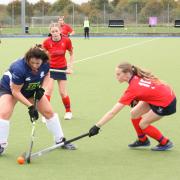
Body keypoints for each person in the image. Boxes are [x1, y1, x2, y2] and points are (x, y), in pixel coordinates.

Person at [0, 45, 76, 155]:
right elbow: (16, 92)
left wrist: (42, 89)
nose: (35, 66)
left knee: (49, 112)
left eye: (37, 63)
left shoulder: (45, 63)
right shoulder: (19, 68)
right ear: (27, 60)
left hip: (32, 87)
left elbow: (48, 74)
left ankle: (60, 140)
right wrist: (31, 107)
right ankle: (1, 144)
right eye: (32, 63)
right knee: (4, 113)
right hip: (10, 89)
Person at [88, 62, 176, 151]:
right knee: (134, 113)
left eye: (118, 74)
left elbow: (113, 112)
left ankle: (165, 143)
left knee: (143, 124)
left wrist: (97, 126)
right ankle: (143, 140)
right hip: (159, 95)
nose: (116, 76)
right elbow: (144, 89)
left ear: (126, 74)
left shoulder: (132, 89)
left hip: (166, 102)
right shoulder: (135, 75)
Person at [42, 23, 74, 120]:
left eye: (56, 31)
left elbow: (71, 53)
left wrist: (70, 67)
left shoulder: (66, 41)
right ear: (50, 32)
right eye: (53, 31)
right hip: (50, 69)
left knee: (62, 92)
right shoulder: (46, 42)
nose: (55, 33)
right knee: (48, 91)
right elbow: (42, 56)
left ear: (60, 31)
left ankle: (68, 112)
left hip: (62, 68)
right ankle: (45, 114)